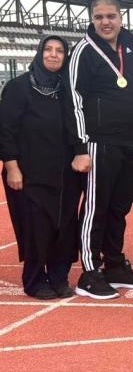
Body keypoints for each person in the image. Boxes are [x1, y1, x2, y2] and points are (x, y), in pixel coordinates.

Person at [65, 0, 133, 299]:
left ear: (121, 18)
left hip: (131, 141)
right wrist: (80, 147)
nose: (105, 22)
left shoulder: (129, 43)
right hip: (99, 142)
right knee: (96, 208)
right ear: (92, 19)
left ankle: (115, 265)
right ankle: (90, 273)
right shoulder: (84, 51)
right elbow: (74, 100)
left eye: (111, 16)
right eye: (99, 17)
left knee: (119, 207)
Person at [0, 35, 80, 299]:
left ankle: (59, 277)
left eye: (60, 51)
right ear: (39, 53)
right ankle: (34, 280)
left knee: (64, 227)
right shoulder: (18, 87)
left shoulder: (68, 89)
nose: (53, 55)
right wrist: (12, 167)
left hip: (65, 175)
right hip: (29, 174)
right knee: (36, 228)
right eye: (48, 49)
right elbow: (6, 130)